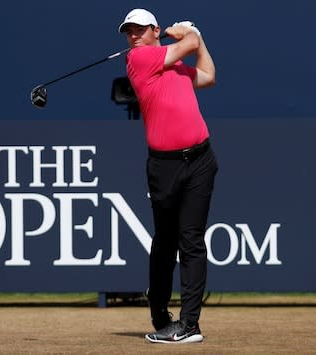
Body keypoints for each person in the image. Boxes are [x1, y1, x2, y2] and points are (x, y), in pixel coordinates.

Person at [118, 9, 218, 344]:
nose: (132, 36)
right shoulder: (140, 59)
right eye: (128, 31)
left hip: (200, 159)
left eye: (139, 29)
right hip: (165, 167)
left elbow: (207, 75)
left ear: (153, 29)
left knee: (191, 240)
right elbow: (189, 42)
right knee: (164, 241)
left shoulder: (173, 66)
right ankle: (160, 311)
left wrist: (196, 40)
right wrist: (188, 31)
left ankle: (189, 324)